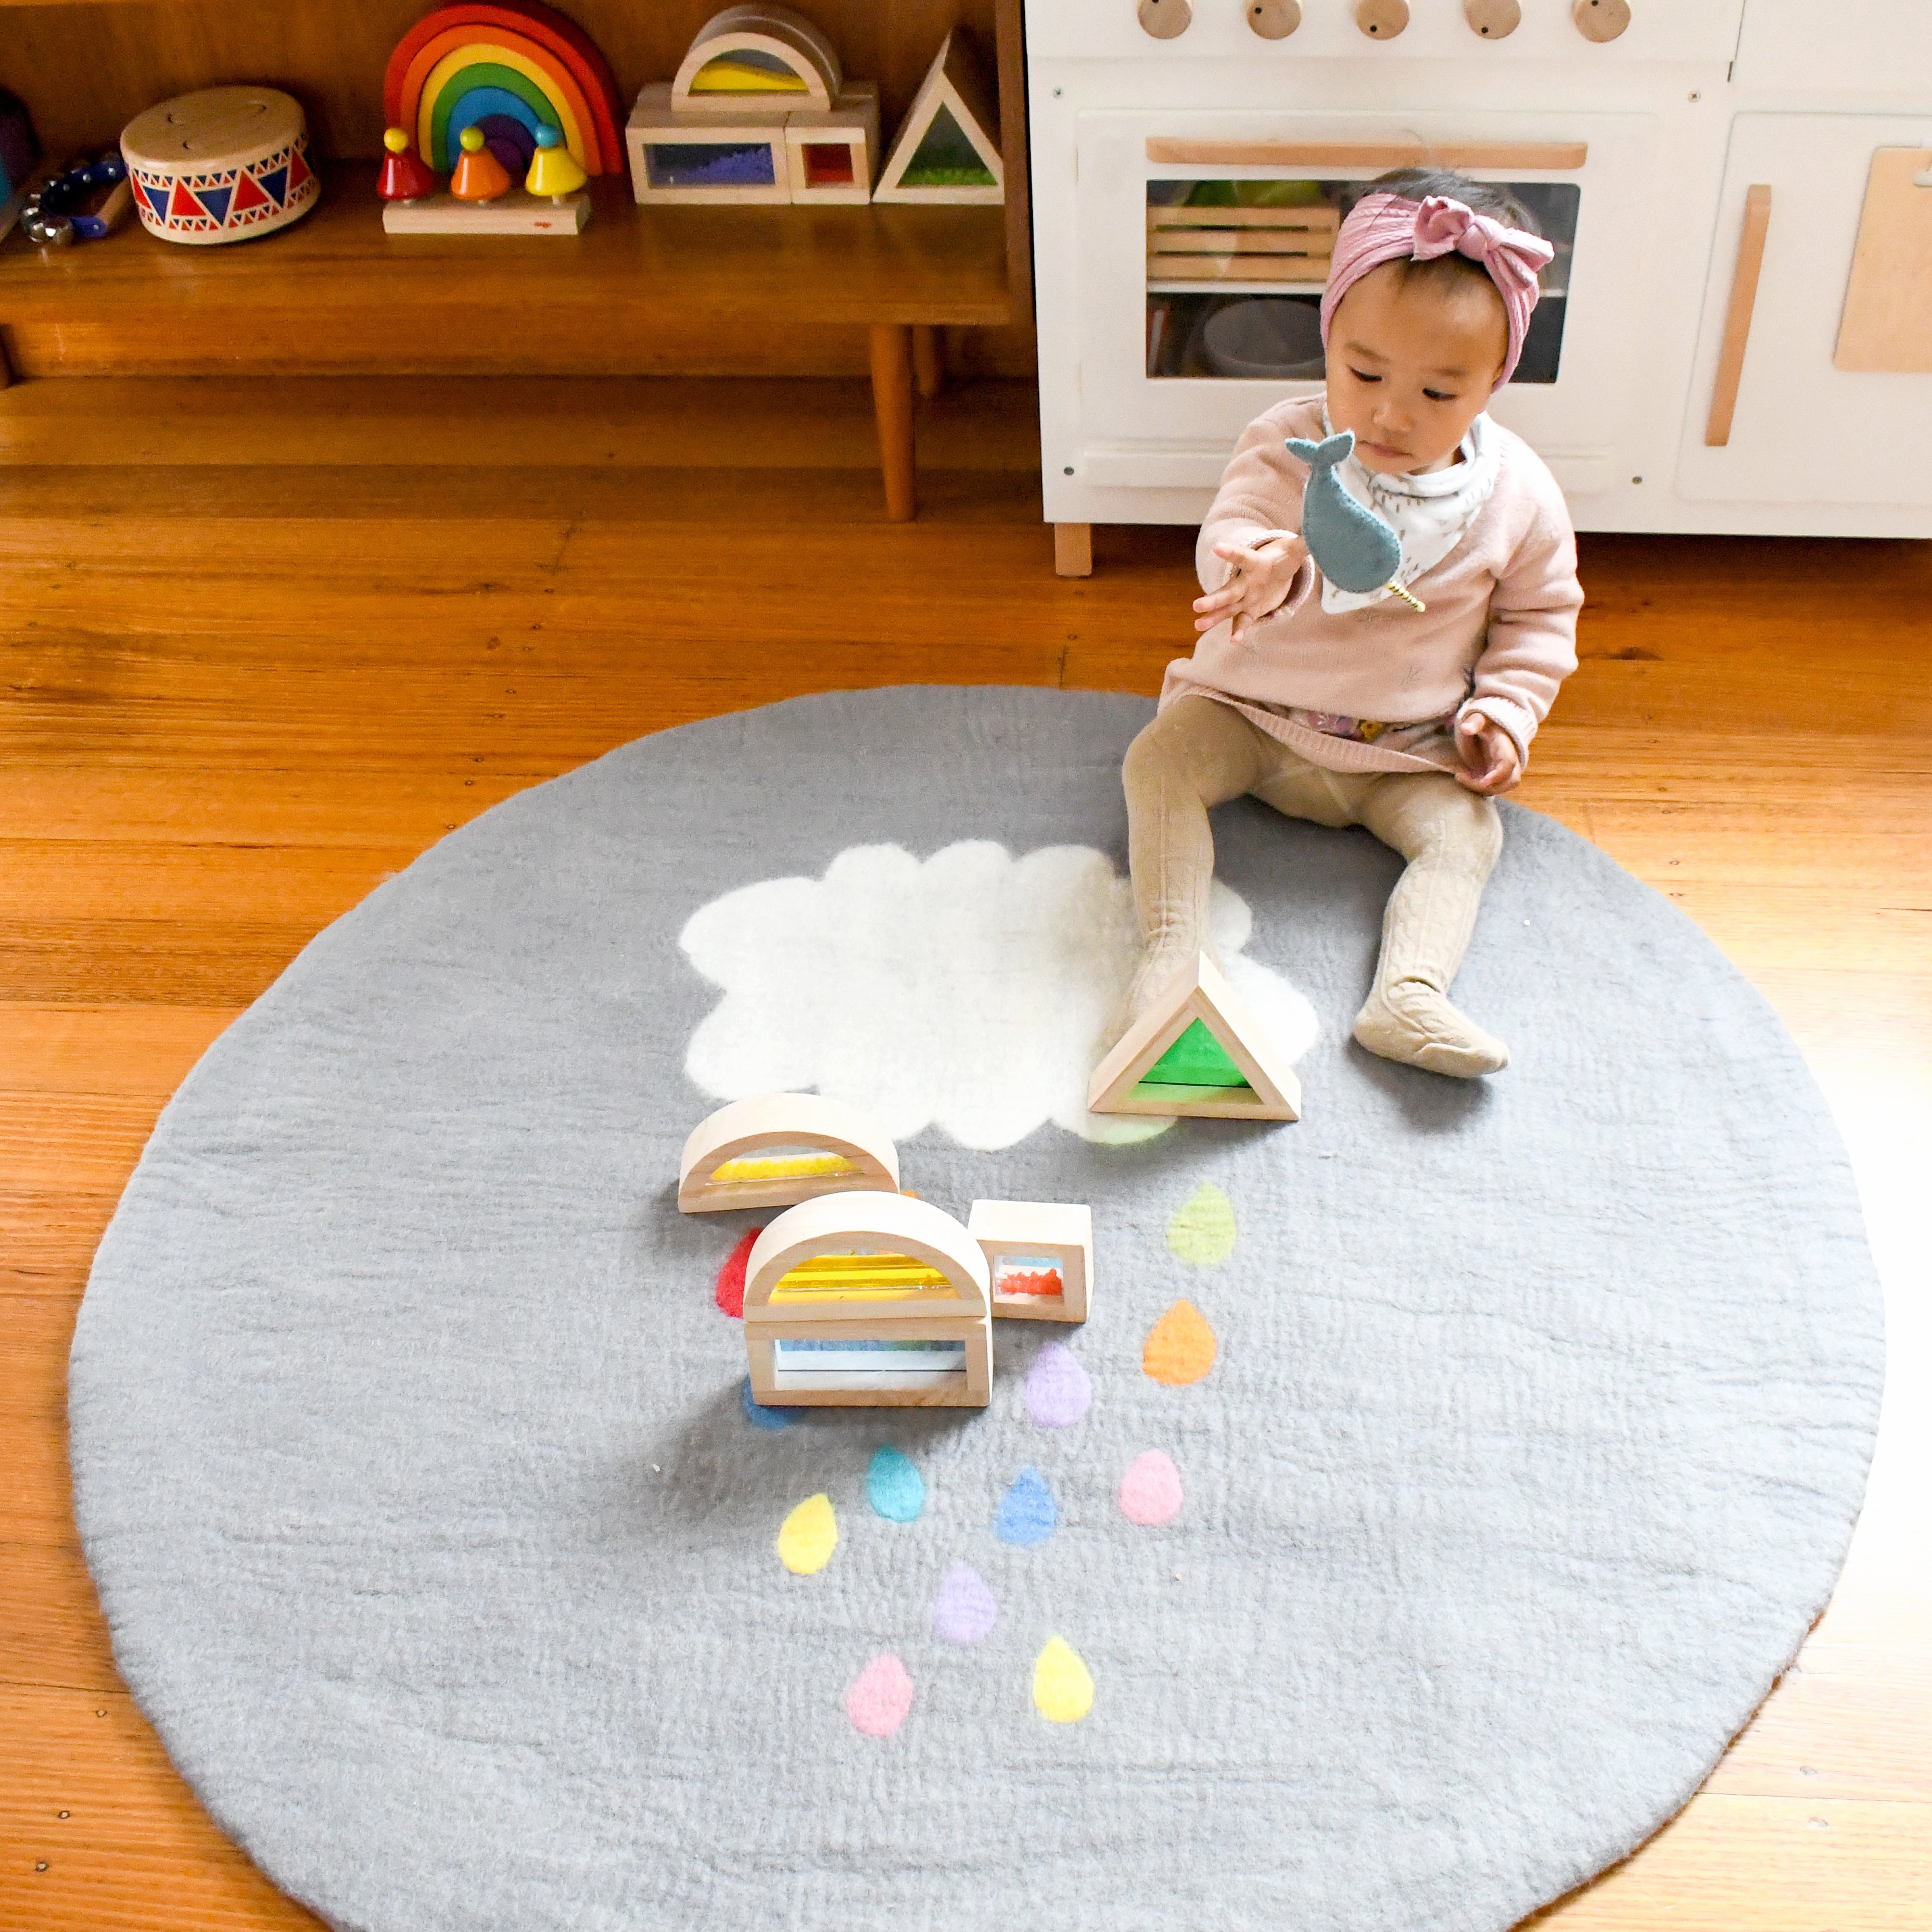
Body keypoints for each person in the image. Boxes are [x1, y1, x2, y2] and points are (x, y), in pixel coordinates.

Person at [1121, 169, 1583, 1078]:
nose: (1387, 412)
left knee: (1468, 837)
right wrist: (1256, 563)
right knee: (1157, 761)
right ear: (1329, 338)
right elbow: (1229, 537)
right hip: (1252, 716)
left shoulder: (1519, 493)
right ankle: (1171, 957)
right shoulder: (1287, 443)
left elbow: (1539, 620)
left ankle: (1409, 994)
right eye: (1364, 372)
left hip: (1400, 747)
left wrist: (1503, 713)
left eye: (1438, 393)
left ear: (1496, 380)